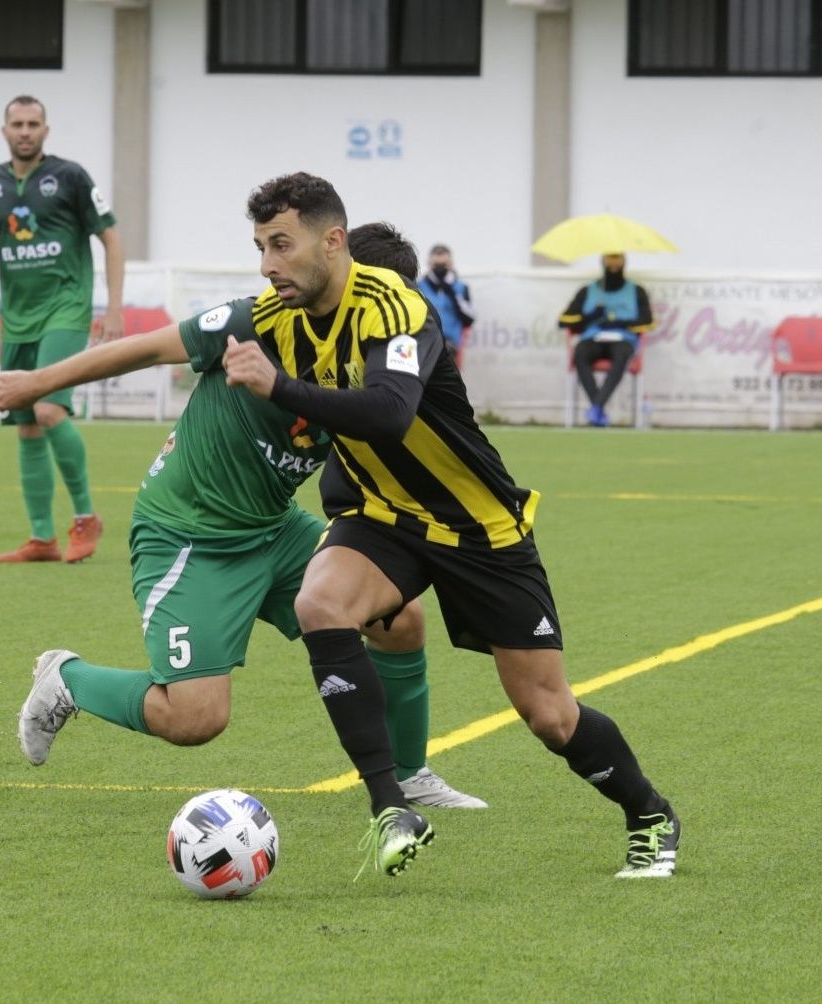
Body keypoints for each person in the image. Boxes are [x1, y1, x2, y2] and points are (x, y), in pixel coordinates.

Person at [221, 176, 679, 880]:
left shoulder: (399, 311)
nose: (268, 264)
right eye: (261, 248)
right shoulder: (280, 313)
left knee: (549, 715)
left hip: (479, 530)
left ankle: (648, 813)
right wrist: (45, 379)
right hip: (383, 519)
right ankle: (390, 805)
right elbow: (178, 340)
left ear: (332, 242)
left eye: (279, 245)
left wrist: (276, 387)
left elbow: (386, 412)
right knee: (320, 604)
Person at [0, 239, 488, 819]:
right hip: (188, 536)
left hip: (275, 530)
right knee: (195, 718)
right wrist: (39, 383)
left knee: (400, 620)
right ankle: (68, 679)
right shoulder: (256, 320)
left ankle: (409, 774)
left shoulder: (380, 361)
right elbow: (148, 349)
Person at [0, 95, 124, 564]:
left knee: (50, 409)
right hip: (16, 320)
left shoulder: (70, 177)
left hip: (66, 310)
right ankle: (41, 539)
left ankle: (86, 518)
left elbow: (111, 237)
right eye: (18, 124)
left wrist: (113, 308)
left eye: (34, 124)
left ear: (46, 131)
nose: (26, 131)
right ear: (5, 130)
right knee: (27, 426)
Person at [559, 253, 652, 427]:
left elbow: (648, 322)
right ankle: (598, 408)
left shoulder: (637, 291)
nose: (614, 263)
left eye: (618, 258)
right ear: (603, 262)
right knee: (580, 352)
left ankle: (596, 407)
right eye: (610, 258)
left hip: (623, 339)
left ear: (624, 262)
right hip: (594, 338)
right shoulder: (588, 290)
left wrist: (622, 323)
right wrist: (589, 317)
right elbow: (564, 320)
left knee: (622, 354)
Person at [416, 243, 473, 362]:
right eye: (437, 264)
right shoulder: (419, 286)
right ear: (429, 263)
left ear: (451, 263)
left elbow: (469, 318)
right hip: (424, 342)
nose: (440, 268)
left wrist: (451, 292)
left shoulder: (461, 288)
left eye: (444, 264)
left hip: (451, 344)